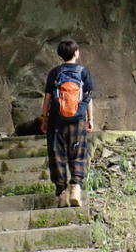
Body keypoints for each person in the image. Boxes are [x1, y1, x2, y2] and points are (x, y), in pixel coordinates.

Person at [41, 39, 94, 207]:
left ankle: (62, 192)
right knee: (78, 152)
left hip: (56, 120)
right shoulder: (83, 72)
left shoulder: (54, 73)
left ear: (60, 55)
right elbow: (88, 98)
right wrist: (90, 119)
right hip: (77, 119)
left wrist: (44, 118)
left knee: (57, 154)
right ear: (76, 53)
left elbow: (48, 98)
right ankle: (76, 187)